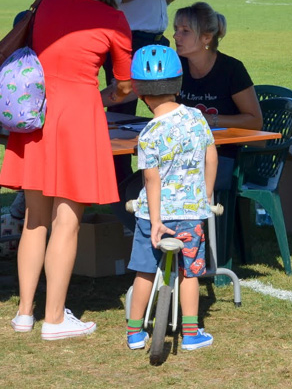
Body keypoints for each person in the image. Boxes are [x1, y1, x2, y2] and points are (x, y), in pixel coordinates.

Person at [0, 0, 134, 341]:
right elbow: (125, 85)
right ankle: (54, 318)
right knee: (67, 221)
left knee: (34, 220)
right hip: (78, 117)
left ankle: (25, 312)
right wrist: (104, 95)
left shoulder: (44, 4)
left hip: (36, 113)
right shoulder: (112, 18)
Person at [98, 0, 196, 219]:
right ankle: (116, 203)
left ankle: (169, 191)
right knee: (120, 119)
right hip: (126, 39)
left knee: (168, 116)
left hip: (154, 39)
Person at [124, 45, 217, 353]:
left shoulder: (148, 134)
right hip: (191, 213)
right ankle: (191, 334)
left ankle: (135, 333)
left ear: (139, 91)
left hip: (154, 217)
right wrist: (205, 194)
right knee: (190, 271)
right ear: (179, 83)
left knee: (145, 271)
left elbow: (150, 179)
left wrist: (156, 219)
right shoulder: (196, 118)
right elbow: (211, 156)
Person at [174, 1, 262, 192]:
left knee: (165, 190)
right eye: (176, 29)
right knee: (135, 189)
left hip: (224, 158)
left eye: (185, 31)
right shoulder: (175, 65)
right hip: (182, 155)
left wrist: (209, 120)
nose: (175, 35)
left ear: (206, 38)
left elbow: (255, 121)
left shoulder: (231, 69)